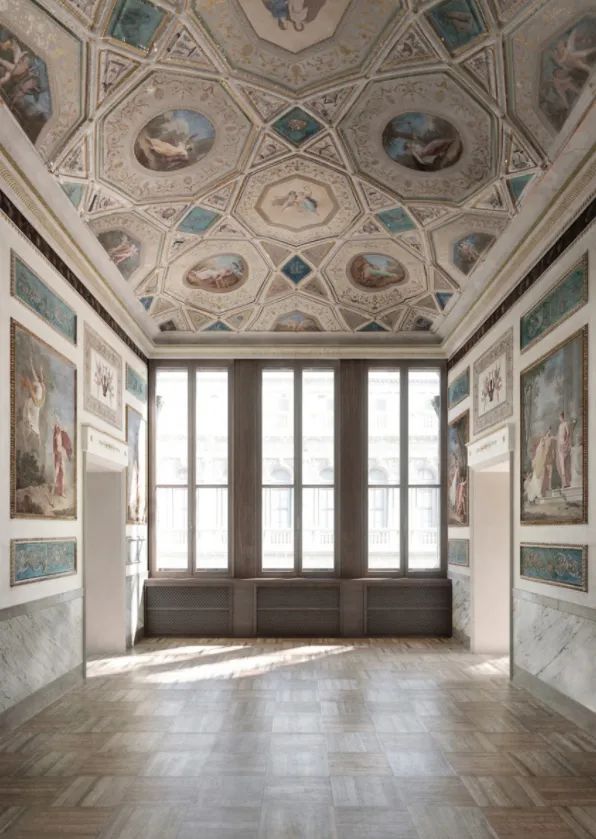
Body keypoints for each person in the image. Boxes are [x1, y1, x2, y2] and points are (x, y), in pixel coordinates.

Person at [556, 411, 572, 488]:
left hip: (565, 446)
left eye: (560, 417)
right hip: (560, 446)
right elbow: (559, 436)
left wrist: (566, 442)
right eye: (559, 417)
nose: (560, 418)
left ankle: (568, 482)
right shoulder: (560, 426)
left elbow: (568, 433)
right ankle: (564, 483)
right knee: (562, 465)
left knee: (566, 464)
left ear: (562, 417)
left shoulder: (566, 424)